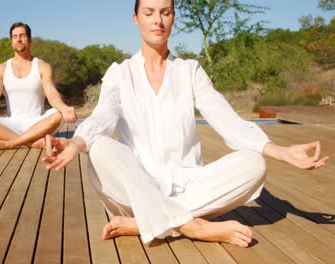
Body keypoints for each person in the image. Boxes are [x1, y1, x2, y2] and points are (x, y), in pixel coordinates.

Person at [42, 0, 329, 248]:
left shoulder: (190, 71)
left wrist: (278, 151)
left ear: (173, 17)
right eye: (149, 12)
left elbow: (224, 117)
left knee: (255, 165)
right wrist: (75, 142)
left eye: (165, 12)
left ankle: (147, 223)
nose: (158, 20)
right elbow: (103, 116)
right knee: (100, 148)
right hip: (137, 190)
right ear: (136, 18)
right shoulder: (120, 73)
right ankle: (192, 227)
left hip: (190, 187)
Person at [0, 22, 77, 150]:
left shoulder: (42, 66)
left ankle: (10, 143)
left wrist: (64, 108)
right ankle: (32, 143)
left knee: (58, 114)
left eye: (22, 36)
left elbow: (52, 93)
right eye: (14, 36)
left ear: (30, 40)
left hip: (37, 124)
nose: (18, 39)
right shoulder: (0, 69)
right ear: (11, 41)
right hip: (11, 125)